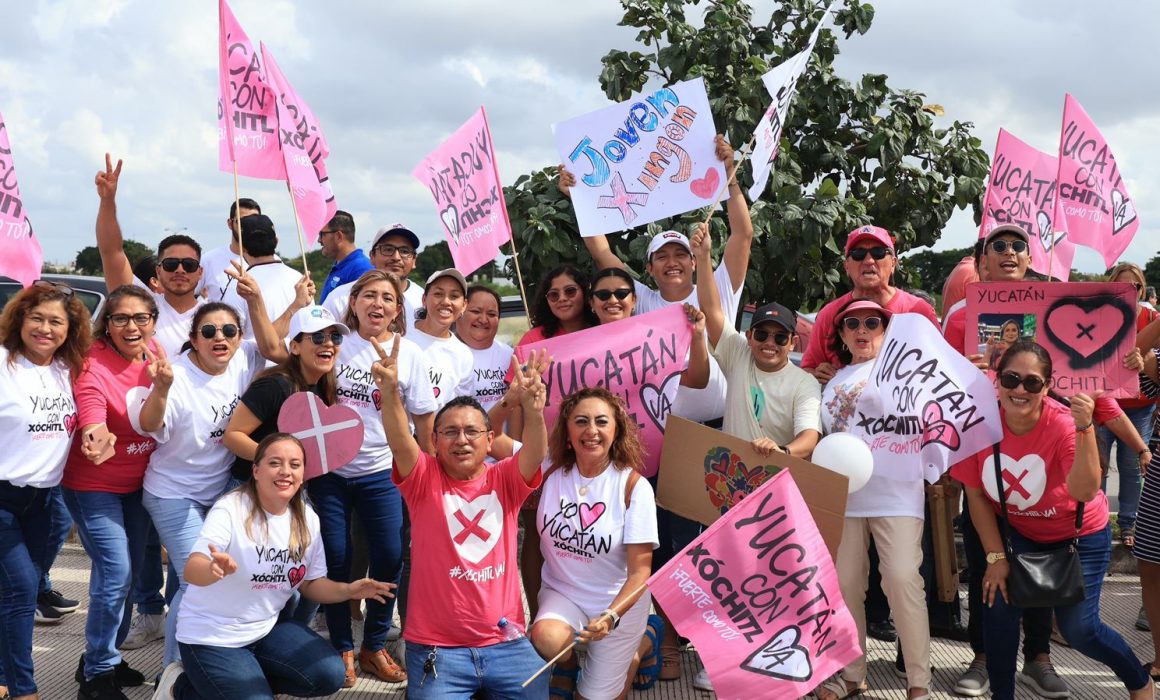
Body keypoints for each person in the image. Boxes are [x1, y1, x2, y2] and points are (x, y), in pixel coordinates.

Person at [561, 135, 755, 686]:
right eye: (662, 257)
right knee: (665, 542)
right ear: (649, 268)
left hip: (710, 430)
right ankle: (669, 642)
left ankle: (714, 648)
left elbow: (742, 233)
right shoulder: (641, 300)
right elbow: (601, 251)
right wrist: (578, 194)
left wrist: (729, 174)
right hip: (654, 435)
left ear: (694, 259)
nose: (673, 262)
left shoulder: (719, 286)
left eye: (681, 254)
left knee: (709, 545)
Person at [251, 269, 436, 686]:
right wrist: (282, 303)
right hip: (328, 473)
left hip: (382, 471)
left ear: (398, 309)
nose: (377, 304)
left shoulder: (412, 355)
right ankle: (342, 647)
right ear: (353, 303)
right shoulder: (335, 342)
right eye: (368, 295)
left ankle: (374, 644)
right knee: (334, 557)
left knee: (389, 555)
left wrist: (429, 480)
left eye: (387, 298)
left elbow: (424, 425)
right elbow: (280, 351)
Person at [950, 340, 1154, 700]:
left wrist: (1085, 427)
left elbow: (1084, 491)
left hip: (1079, 535)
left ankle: (1139, 681)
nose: (1020, 390)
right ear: (997, 379)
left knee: (1080, 630)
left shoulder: (1063, 424)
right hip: (1020, 533)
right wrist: (996, 558)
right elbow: (976, 495)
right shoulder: (978, 423)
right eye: (1011, 379)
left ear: (1047, 387)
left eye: (1032, 382)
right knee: (998, 608)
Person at [151, 433, 397, 700]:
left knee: (329, 673)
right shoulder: (231, 508)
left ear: (303, 475)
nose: (285, 471)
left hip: (265, 629)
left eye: (295, 464)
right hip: (212, 637)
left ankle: (246, 684)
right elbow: (192, 569)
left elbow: (311, 584)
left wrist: (349, 590)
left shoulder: (307, 518)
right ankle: (178, 685)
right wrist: (212, 569)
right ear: (256, 470)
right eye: (275, 463)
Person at [376, 331, 551, 699]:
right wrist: (390, 394)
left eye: (472, 431)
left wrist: (534, 412)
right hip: (438, 649)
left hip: (506, 643)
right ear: (434, 441)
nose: (461, 440)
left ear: (490, 440)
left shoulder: (505, 479)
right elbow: (399, 441)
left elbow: (535, 453)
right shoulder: (422, 478)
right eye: (450, 432)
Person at [135, 302, 266, 670]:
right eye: (208, 331)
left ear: (240, 338)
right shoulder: (176, 375)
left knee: (195, 577)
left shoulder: (245, 358)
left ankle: (205, 661)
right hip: (173, 493)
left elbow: (275, 344)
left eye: (228, 331)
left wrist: (280, 302)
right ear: (194, 339)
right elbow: (148, 423)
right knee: (197, 581)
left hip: (220, 491)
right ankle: (174, 674)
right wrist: (161, 389)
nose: (219, 337)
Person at [814, 300, 931, 700]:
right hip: (846, 499)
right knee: (846, 585)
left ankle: (918, 681)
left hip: (898, 496)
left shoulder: (911, 372)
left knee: (902, 580)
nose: (862, 329)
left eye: (872, 322)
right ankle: (852, 674)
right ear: (842, 334)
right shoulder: (831, 381)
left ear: (886, 329)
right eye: (852, 323)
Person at [62, 285, 161, 699]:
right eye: (121, 318)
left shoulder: (155, 354)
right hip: (92, 485)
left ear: (153, 322)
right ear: (107, 324)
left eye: (141, 318)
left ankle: (104, 656)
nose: (131, 326)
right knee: (116, 571)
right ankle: (97, 674)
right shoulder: (92, 362)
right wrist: (94, 433)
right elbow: (91, 407)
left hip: (138, 486)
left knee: (130, 573)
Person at [530, 387, 659, 700]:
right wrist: (520, 403)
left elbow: (640, 573)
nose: (591, 431)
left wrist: (611, 616)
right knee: (544, 637)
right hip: (564, 594)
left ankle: (644, 640)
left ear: (617, 430)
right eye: (581, 421)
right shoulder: (550, 469)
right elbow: (492, 442)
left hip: (618, 606)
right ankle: (567, 664)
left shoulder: (634, 487)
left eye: (601, 422)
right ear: (567, 431)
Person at [0, 281, 91, 700]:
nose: (45, 328)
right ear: (19, 319)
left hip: (45, 502)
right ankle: (25, 690)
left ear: (69, 330)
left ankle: (4, 676)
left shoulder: (68, 370)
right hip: (2, 497)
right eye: (36, 318)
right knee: (21, 591)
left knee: (15, 593)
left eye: (56, 322)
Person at [693, 227, 821, 460]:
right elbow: (711, 310)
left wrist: (782, 451)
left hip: (774, 475)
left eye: (780, 337)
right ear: (749, 336)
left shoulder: (805, 383)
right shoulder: (738, 354)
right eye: (762, 335)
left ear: (792, 343)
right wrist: (703, 258)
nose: (770, 343)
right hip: (729, 472)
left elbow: (810, 437)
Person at [94, 154, 206, 358]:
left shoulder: (214, 316)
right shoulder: (142, 307)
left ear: (200, 272)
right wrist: (107, 201)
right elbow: (111, 251)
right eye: (171, 264)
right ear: (158, 270)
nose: (180, 270)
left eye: (189, 265)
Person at [802, 224, 938, 383]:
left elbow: (942, 368)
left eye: (878, 253)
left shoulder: (919, 311)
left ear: (893, 263)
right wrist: (816, 375)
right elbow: (807, 371)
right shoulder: (829, 315)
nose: (868, 261)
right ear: (846, 266)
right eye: (858, 254)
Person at [1101, 261, 1158, 548]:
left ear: (1142, 289)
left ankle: (1128, 522)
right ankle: (1097, 520)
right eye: (1122, 284)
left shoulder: (1152, 317)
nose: (1129, 290)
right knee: (1098, 465)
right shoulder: (1098, 315)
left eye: (1135, 285)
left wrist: (1145, 360)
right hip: (1103, 404)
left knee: (1132, 465)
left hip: (1139, 406)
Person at [218, 214, 306, 338]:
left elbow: (229, 336)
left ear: (242, 246)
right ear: (276, 241)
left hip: (254, 351)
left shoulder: (240, 286)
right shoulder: (301, 281)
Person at [324, 224, 425, 325]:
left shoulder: (424, 302)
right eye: (388, 249)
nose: (396, 257)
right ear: (372, 256)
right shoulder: (339, 298)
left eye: (404, 251)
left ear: (414, 260)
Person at [411, 269, 474, 407]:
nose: (446, 302)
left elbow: (459, 409)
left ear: (464, 305)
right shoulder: (401, 337)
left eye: (454, 296)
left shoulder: (463, 355)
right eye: (438, 294)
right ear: (424, 299)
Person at [455, 285, 513, 413]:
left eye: (491, 314)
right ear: (459, 312)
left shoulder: (510, 355)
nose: (483, 320)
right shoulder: (445, 353)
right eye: (476, 311)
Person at [198, 198, 261, 302]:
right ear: (230, 223)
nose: (249, 226)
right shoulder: (208, 260)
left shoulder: (271, 261)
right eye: (242, 222)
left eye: (254, 221)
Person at [318, 210, 373, 303]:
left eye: (322, 234)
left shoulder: (361, 269)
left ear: (338, 236)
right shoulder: (340, 265)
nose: (319, 240)